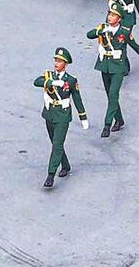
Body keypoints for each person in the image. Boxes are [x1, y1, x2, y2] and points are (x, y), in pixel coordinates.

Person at [87, 7, 139, 138]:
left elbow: (135, 46)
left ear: (119, 19)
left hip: (118, 67)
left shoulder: (124, 32)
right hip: (104, 65)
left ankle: (107, 125)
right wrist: (100, 31)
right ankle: (120, 119)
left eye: (114, 15)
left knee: (113, 93)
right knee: (110, 95)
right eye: (109, 14)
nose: (110, 17)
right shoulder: (103, 28)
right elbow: (89, 35)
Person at [34, 47, 88, 189]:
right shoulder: (49, 76)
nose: (56, 63)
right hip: (50, 113)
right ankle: (65, 164)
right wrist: (51, 83)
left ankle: (50, 175)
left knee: (57, 145)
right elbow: (37, 81)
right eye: (56, 60)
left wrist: (83, 116)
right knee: (55, 143)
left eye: (60, 61)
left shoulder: (70, 80)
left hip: (63, 115)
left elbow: (77, 98)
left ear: (66, 64)